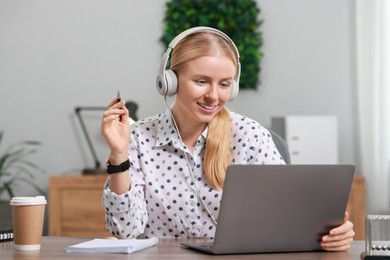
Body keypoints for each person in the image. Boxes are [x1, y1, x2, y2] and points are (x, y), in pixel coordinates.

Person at [100, 26, 354, 251]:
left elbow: (289, 218)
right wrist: (119, 155)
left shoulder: (249, 136)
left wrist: (332, 234)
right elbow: (126, 232)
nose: (213, 95)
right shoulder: (139, 138)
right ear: (171, 82)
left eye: (224, 84)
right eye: (201, 81)